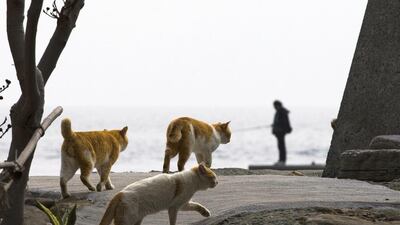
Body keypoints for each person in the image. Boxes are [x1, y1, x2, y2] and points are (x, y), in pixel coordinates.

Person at [272, 100, 292, 165]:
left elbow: (283, 122)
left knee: (281, 146)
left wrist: (277, 125)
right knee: (280, 146)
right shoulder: (280, 111)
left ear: (277, 105)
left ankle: (282, 161)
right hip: (279, 131)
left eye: (274, 105)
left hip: (281, 131)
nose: (274, 107)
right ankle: (281, 160)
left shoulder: (281, 112)